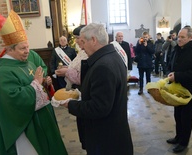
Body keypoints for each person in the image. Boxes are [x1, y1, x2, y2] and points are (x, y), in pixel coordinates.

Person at [0, 10, 68, 154]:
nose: (27, 51)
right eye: (23, 48)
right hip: (25, 129)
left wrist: (43, 83)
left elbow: (38, 83)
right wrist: (35, 84)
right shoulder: (3, 72)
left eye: (27, 46)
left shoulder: (25, 62)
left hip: (40, 121)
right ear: (10, 49)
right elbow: (13, 100)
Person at [53, 23, 133, 155]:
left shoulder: (103, 66)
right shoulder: (112, 56)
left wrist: (70, 104)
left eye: (83, 41)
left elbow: (99, 108)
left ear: (94, 40)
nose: (81, 46)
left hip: (105, 141)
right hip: (114, 134)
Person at [167, 27, 192, 153]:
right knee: (177, 115)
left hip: (191, 90)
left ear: (191, 38)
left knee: (186, 117)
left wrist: (177, 76)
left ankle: (184, 142)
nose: (179, 39)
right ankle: (178, 137)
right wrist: (170, 73)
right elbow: (171, 64)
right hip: (177, 88)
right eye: (179, 36)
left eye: (183, 37)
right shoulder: (177, 48)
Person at [64, 25, 88, 90]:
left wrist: (66, 71)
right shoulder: (81, 52)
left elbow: (83, 77)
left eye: (77, 38)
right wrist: (67, 68)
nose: (76, 41)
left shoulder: (88, 53)